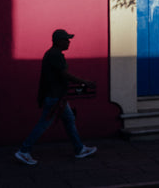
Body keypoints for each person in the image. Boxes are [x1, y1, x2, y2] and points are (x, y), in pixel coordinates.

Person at [14, 29, 97, 165]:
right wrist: (84, 82)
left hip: (58, 97)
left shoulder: (53, 54)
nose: (69, 42)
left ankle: (79, 149)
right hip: (54, 97)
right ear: (59, 41)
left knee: (69, 120)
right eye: (66, 39)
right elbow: (65, 74)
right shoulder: (55, 55)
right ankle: (24, 151)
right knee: (43, 124)